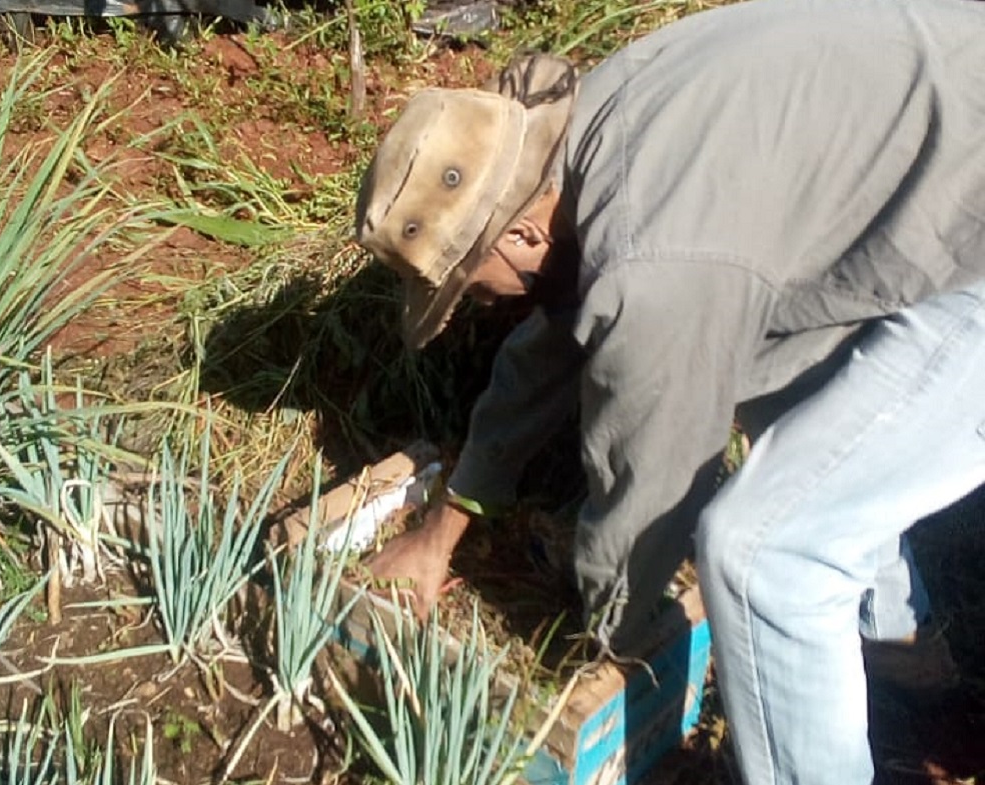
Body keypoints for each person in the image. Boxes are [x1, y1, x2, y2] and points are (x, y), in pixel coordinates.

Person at [354, 0, 985, 783]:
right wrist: (440, 531)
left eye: (470, 286)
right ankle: (895, 640)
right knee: (769, 373)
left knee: (763, 554)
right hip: (947, 143)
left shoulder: (653, 259)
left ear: (519, 235)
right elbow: (552, 342)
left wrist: (610, 643)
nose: (482, 304)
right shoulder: (594, 134)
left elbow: (648, 480)